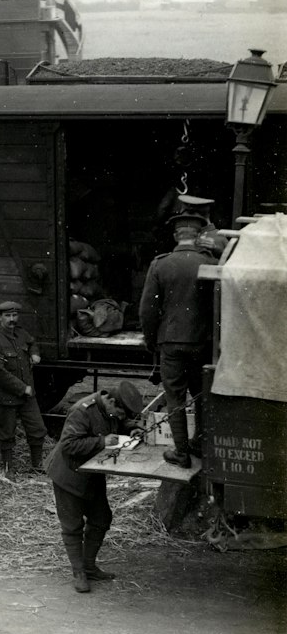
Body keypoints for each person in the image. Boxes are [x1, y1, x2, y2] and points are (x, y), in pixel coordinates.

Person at [45, 381, 144, 592]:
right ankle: (79, 572)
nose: (119, 417)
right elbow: (69, 445)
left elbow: (119, 422)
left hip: (92, 473)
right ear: (110, 400)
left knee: (101, 518)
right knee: (72, 526)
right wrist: (102, 442)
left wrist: (133, 428)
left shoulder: (109, 408)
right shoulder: (81, 411)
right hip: (69, 474)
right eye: (119, 412)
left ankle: (89, 566)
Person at [139, 209, 218, 466]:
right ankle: (200, 445)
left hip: (170, 341)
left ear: (176, 235)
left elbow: (147, 310)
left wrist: (152, 342)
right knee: (202, 394)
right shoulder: (211, 263)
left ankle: (181, 452)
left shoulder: (160, 264)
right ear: (198, 236)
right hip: (202, 341)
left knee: (175, 396)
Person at [0, 301, 47, 475]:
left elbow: (32, 342)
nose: (12, 319)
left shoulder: (21, 333)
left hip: (27, 395)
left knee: (37, 429)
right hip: (7, 397)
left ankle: (36, 465)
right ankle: (8, 469)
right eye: (8, 316)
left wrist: (35, 353)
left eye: (14, 315)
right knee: (7, 433)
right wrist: (22, 388)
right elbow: (0, 374)